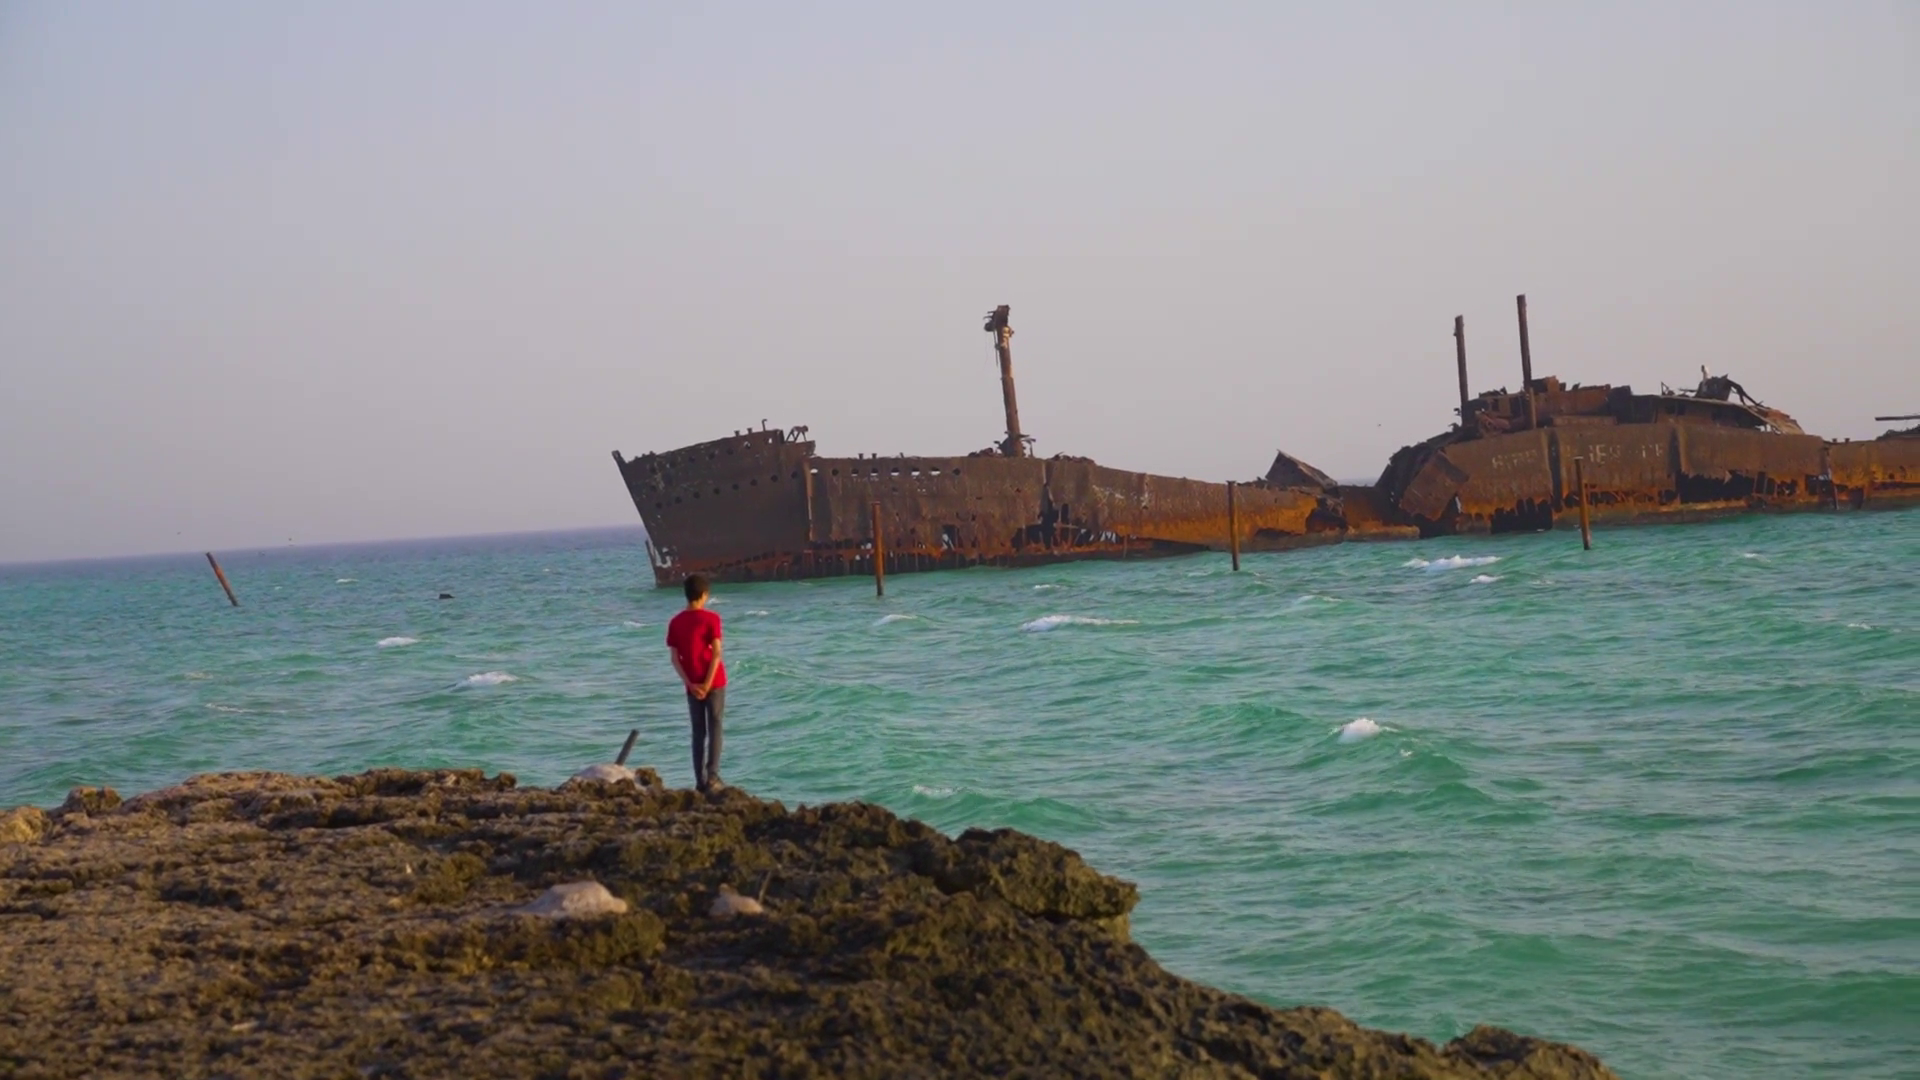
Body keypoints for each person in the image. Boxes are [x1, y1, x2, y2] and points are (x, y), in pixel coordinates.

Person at [665, 573, 727, 792]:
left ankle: (700, 781)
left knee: (698, 731)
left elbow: (675, 659)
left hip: (692, 684)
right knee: (715, 726)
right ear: (704, 595)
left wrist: (690, 684)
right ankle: (713, 776)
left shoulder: (675, 622)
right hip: (714, 681)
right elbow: (717, 653)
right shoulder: (712, 619)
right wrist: (708, 684)